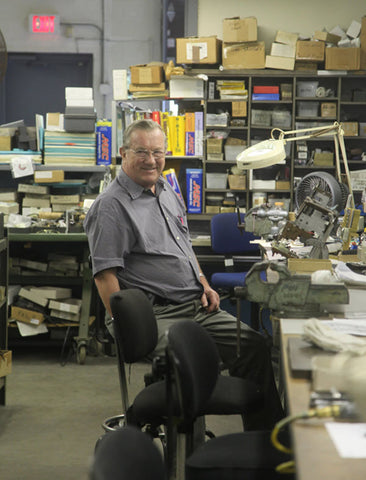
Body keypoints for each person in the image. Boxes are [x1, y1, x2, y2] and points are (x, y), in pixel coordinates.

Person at [84, 118, 284, 430]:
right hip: (154, 314)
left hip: (193, 305)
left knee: (254, 347)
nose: (151, 160)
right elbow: (104, 276)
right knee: (193, 362)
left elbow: (183, 248)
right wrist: (128, 330)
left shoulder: (166, 191)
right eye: (141, 152)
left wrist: (203, 283)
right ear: (122, 153)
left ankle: (267, 443)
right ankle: (165, 429)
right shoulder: (110, 207)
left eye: (157, 152)